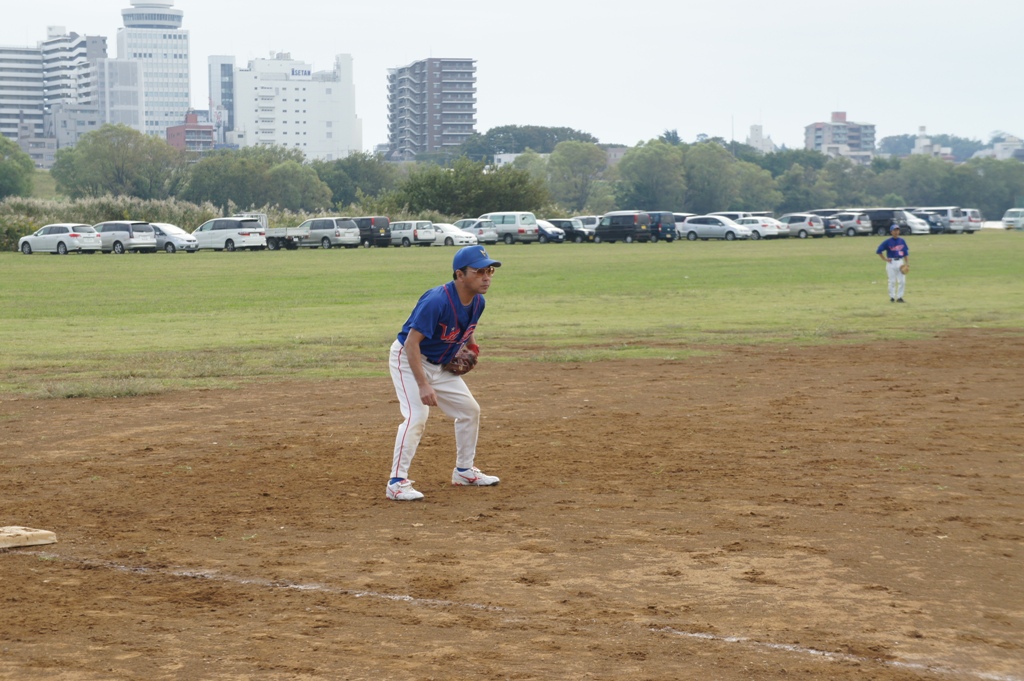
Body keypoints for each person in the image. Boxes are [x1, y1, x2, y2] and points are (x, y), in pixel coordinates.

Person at [386, 245, 503, 501]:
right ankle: (396, 483)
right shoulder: (436, 300)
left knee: (469, 410)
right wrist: (423, 385)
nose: (487, 277)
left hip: (441, 362)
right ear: (460, 275)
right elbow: (410, 344)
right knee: (417, 416)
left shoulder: (478, 301)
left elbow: (465, 325)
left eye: (490, 271)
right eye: (479, 271)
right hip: (409, 359)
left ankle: (464, 471)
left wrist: (471, 345)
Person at [876, 224, 909, 302]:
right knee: (892, 281)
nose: (896, 232)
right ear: (891, 232)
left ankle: (900, 297)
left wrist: (907, 263)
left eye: (897, 230)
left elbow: (905, 253)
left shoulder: (902, 241)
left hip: (900, 262)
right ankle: (892, 297)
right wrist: (885, 259)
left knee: (902, 281)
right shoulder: (888, 241)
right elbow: (879, 251)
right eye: (894, 230)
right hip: (891, 262)